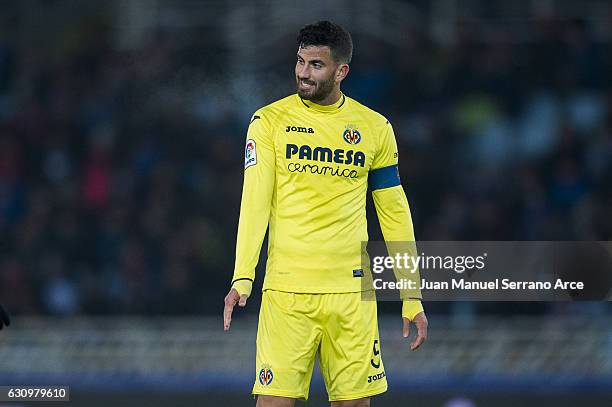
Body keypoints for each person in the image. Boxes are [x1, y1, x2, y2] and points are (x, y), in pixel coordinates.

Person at [223, 20, 427, 407]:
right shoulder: (268, 122)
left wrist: (411, 295)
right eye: (300, 62)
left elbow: (395, 215)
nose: (303, 72)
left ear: (341, 71)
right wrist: (243, 276)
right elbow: (255, 203)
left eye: (316, 65)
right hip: (287, 292)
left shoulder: (375, 128)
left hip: (352, 295)